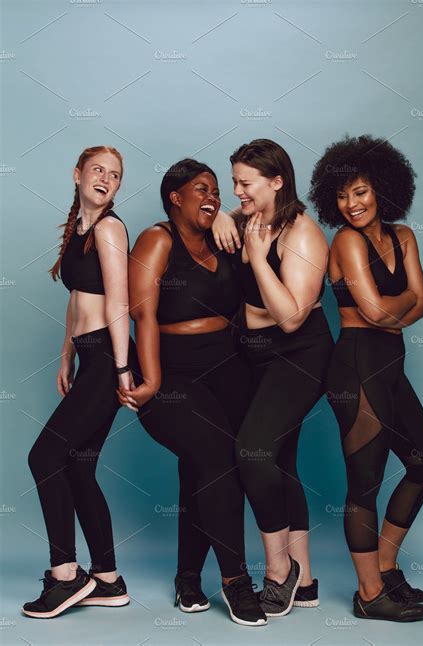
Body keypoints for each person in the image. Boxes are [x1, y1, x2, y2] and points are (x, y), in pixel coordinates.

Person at [118, 159, 267, 627]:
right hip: (172, 373)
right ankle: (236, 581)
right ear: (174, 198)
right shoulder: (156, 238)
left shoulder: (223, 236)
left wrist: (222, 214)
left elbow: (264, 211)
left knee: (208, 469)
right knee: (215, 459)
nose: (214, 195)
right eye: (201, 189)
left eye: (218, 190)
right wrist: (153, 379)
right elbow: (141, 314)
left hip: (228, 366)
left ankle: (187, 578)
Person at [308, 134, 423, 621]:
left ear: (383, 188)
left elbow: (418, 306)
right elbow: (374, 309)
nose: (351, 204)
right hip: (355, 365)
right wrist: (401, 304)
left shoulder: (404, 236)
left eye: (360, 192)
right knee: (364, 482)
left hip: (390, 362)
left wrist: (396, 309)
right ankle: (368, 595)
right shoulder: (345, 239)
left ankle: (385, 568)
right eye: (342, 196)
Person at [212, 139, 334, 616]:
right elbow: (218, 214)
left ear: (277, 181)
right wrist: (223, 214)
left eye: (245, 183)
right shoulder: (244, 220)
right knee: (280, 462)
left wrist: (259, 258)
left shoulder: (302, 234)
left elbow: (290, 319)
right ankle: (307, 583)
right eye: (234, 182)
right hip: (254, 355)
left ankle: (280, 572)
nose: (236, 191)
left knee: (253, 451)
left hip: (299, 353)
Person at [23, 146, 135, 618]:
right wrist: (66, 356)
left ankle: (65, 575)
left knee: (45, 456)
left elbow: (117, 302)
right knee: (79, 467)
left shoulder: (110, 228)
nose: (106, 179)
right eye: (98, 170)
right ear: (78, 175)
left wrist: (124, 370)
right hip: (88, 358)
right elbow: (77, 300)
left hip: (109, 359)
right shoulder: (78, 229)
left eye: (114, 174)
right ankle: (107, 580)